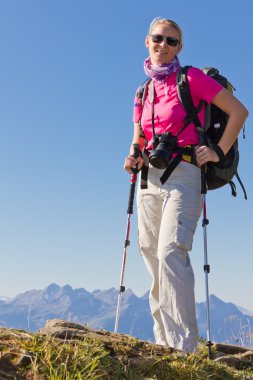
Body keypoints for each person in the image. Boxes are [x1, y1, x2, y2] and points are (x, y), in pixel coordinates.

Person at [124, 17, 248, 352]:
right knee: (150, 254)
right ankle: (162, 342)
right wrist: (133, 154)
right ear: (147, 41)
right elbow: (139, 136)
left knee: (170, 252)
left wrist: (218, 150)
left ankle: (183, 349)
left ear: (179, 47)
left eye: (171, 41)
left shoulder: (190, 78)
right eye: (157, 39)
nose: (162, 45)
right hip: (149, 176)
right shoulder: (143, 91)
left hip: (186, 173)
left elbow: (238, 112)